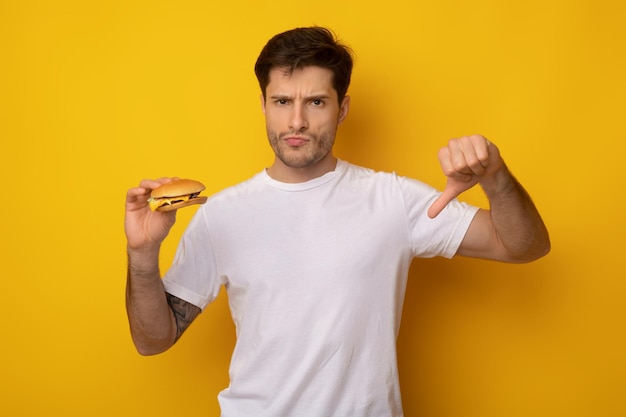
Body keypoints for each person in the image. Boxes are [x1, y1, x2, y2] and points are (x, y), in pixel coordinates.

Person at [124, 26, 550, 417]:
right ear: (263, 105)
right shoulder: (221, 215)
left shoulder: (393, 199)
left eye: (315, 102)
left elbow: (523, 246)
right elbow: (152, 340)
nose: (296, 121)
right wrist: (143, 253)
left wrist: (495, 177)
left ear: (342, 108)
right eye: (282, 102)